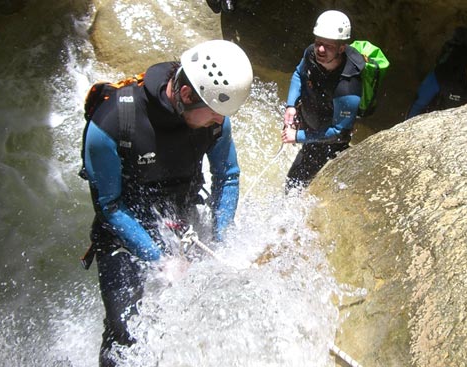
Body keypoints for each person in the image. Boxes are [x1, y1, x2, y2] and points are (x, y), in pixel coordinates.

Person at [81, 40, 253, 367]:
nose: (220, 122)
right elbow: (110, 207)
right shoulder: (113, 122)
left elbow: (227, 175)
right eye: (216, 115)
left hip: (181, 220)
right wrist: (159, 259)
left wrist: (222, 237)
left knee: (189, 319)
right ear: (187, 95)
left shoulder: (216, 119)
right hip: (123, 233)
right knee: (124, 330)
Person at [281, 10, 364, 191]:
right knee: (292, 184)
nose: (320, 49)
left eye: (328, 46)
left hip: (328, 142)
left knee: (294, 185)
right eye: (318, 42)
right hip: (311, 124)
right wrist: (291, 106)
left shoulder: (348, 86)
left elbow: (339, 133)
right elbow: (298, 74)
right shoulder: (311, 53)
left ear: (341, 48)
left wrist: (298, 136)